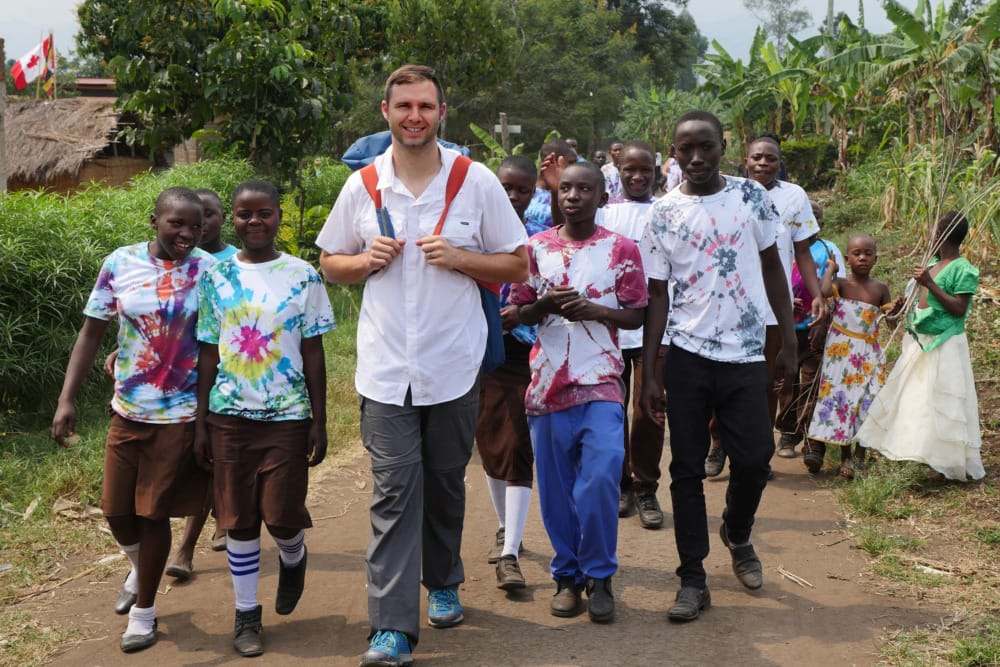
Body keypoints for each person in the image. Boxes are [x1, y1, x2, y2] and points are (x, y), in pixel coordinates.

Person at [315, 64, 528, 667]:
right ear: (385, 112)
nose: (414, 116)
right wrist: (363, 263)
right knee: (393, 492)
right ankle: (391, 628)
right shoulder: (362, 186)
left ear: (441, 112)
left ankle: (443, 580)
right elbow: (330, 261)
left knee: (442, 481)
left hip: (453, 365)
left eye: (425, 106)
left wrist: (461, 257)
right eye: (403, 106)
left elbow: (516, 265)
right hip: (385, 369)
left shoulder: (475, 181)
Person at [639, 110, 797, 623]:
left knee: (755, 459)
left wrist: (788, 341)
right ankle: (692, 578)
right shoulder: (662, 213)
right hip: (686, 355)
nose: (697, 157)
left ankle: (737, 529)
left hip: (747, 352)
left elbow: (774, 268)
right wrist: (649, 369)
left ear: (723, 146)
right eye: (686, 149)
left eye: (706, 147)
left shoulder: (752, 197)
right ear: (674, 151)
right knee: (684, 469)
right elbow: (657, 295)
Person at [51, 187, 215, 653]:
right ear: (154, 221)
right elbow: (91, 333)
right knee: (115, 511)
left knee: (152, 513)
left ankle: (143, 613)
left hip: (180, 413)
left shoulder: (210, 270)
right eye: (176, 224)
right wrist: (67, 399)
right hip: (127, 409)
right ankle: (142, 568)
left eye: (195, 226)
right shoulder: (119, 263)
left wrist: (208, 417)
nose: (186, 233)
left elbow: (213, 344)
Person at [195, 180, 334, 657]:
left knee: (281, 515)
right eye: (244, 214)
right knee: (237, 519)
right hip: (229, 414)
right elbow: (208, 350)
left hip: (288, 414)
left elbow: (313, 350)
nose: (254, 222)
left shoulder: (303, 275)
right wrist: (201, 420)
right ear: (231, 218)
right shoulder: (214, 276)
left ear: (279, 217)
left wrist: (319, 418)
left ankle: (294, 556)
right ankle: (247, 614)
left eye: (264, 213)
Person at [511, 160, 647, 623]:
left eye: (584, 189)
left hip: (602, 383)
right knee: (555, 492)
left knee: (601, 479)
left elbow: (638, 314)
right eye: (565, 188)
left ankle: (600, 574)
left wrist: (595, 310)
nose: (572, 196)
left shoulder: (621, 249)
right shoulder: (534, 250)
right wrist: (543, 305)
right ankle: (567, 576)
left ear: (601, 197)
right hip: (547, 387)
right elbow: (519, 313)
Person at [704, 133, 824, 475]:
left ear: (779, 162)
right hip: (731, 305)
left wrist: (816, 294)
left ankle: (758, 451)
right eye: (757, 157)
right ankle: (718, 444)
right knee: (723, 377)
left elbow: (802, 250)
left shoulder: (795, 197)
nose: (763, 163)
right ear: (746, 159)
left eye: (770, 158)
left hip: (774, 307)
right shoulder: (729, 192)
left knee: (768, 381)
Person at [857, 212, 985, 481]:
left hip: (946, 343)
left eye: (933, 231)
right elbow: (918, 303)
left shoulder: (962, 268)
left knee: (943, 402)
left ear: (941, 235)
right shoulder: (933, 264)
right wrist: (905, 306)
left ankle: (946, 462)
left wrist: (929, 283)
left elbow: (959, 309)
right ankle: (918, 453)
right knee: (917, 400)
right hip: (921, 342)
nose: (930, 235)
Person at [162, 188, 234, 580]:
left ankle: (186, 547)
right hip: (175, 378)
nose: (200, 224)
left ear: (222, 217)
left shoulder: (233, 262)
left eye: (208, 215)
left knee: (207, 459)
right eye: (192, 217)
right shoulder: (173, 259)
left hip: (219, 374)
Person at [476, 155, 538, 591]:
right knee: (491, 442)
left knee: (517, 445)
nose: (513, 196)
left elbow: (555, 295)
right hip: (476, 352)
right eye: (506, 187)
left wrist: (524, 313)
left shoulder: (541, 238)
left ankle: (511, 551)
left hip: (526, 354)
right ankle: (504, 526)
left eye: (522, 189)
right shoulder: (474, 234)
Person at [598, 140, 665, 529]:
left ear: (656, 171)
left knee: (649, 411)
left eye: (646, 171)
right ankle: (621, 483)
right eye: (630, 171)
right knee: (610, 412)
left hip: (656, 331)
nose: (638, 178)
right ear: (618, 170)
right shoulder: (606, 215)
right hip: (612, 327)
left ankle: (646, 487)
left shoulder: (666, 211)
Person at [805, 233, 901, 477]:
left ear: (875, 259)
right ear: (847, 258)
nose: (862, 258)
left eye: (868, 254)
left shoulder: (880, 289)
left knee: (869, 400)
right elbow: (824, 290)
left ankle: (860, 455)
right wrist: (830, 269)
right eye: (857, 254)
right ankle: (845, 458)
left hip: (869, 353)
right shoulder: (840, 285)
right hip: (841, 353)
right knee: (843, 401)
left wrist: (897, 311)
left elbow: (890, 323)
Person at [774, 200, 846, 466]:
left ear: (820, 223)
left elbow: (838, 288)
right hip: (783, 329)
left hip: (814, 329)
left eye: (814, 217)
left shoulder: (828, 250)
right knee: (785, 382)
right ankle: (787, 434)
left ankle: (809, 440)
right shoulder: (781, 247)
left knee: (811, 384)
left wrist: (823, 321)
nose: (808, 221)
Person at [524, 138, 578, 233]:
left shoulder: (573, 196)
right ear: (552, 161)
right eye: (571, 163)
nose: (577, 168)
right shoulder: (522, 191)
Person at [600, 140, 625, 205]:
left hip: (625, 203)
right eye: (615, 150)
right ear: (610, 152)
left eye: (620, 150)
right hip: (608, 204)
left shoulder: (629, 168)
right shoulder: (604, 169)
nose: (618, 152)